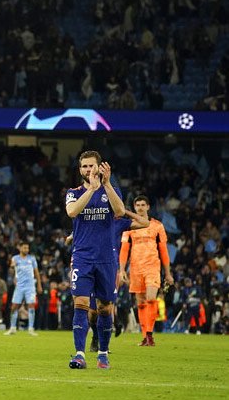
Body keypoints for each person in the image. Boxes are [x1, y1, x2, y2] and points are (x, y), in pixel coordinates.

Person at [64, 151, 125, 370]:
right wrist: (91, 188)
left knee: (105, 308)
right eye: (84, 167)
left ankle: (103, 354)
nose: (88, 170)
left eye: (91, 166)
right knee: (80, 304)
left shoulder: (111, 191)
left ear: (100, 167)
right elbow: (72, 212)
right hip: (82, 257)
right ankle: (79, 354)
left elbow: (119, 211)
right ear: (80, 170)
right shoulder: (74, 192)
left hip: (106, 259)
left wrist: (106, 185)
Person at [118, 195, 173, 346]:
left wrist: (167, 273)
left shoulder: (157, 226)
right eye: (138, 205)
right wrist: (122, 269)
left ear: (148, 207)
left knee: (151, 298)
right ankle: (145, 336)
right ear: (134, 207)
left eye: (143, 205)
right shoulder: (129, 226)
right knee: (140, 303)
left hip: (152, 267)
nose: (140, 207)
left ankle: (149, 334)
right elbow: (124, 249)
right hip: (135, 268)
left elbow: (163, 250)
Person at [4, 242, 42, 336]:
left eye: (27, 248)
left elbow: (36, 272)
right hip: (19, 286)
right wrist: (12, 267)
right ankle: (12, 328)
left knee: (31, 306)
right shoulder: (15, 258)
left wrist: (39, 285)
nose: (26, 250)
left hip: (30, 286)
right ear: (20, 248)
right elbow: (11, 269)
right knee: (14, 307)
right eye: (25, 248)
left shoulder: (32, 259)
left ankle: (31, 329)